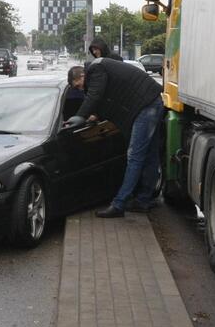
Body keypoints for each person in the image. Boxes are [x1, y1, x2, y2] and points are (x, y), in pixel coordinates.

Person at [64, 59, 163, 217]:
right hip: (152, 102)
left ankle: (119, 204)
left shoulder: (95, 69)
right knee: (150, 155)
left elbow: (95, 95)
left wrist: (80, 116)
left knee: (134, 156)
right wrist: (94, 116)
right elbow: (108, 100)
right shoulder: (99, 72)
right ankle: (144, 200)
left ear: (82, 75)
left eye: (78, 85)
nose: (81, 89)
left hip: (146, 106)